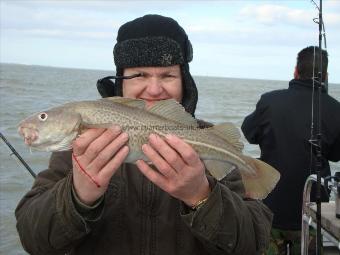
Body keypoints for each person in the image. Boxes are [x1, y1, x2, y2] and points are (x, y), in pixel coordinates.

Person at [16, 14, 273, 255]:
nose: (153, 88)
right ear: (121, 82)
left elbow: (253, 242)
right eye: (138, 74)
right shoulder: (80, 148)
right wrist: (78, 195)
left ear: (185, 81)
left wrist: (200, 195)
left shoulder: (207, 136)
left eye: (167, 75)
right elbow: (32, 238)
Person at [241, 46, 340, 254]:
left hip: (269, 204)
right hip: (312, 208)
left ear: (295, 71)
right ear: (326, 76)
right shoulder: (335, 109)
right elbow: (336, 154)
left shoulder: (269, 101)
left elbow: (249, 132)